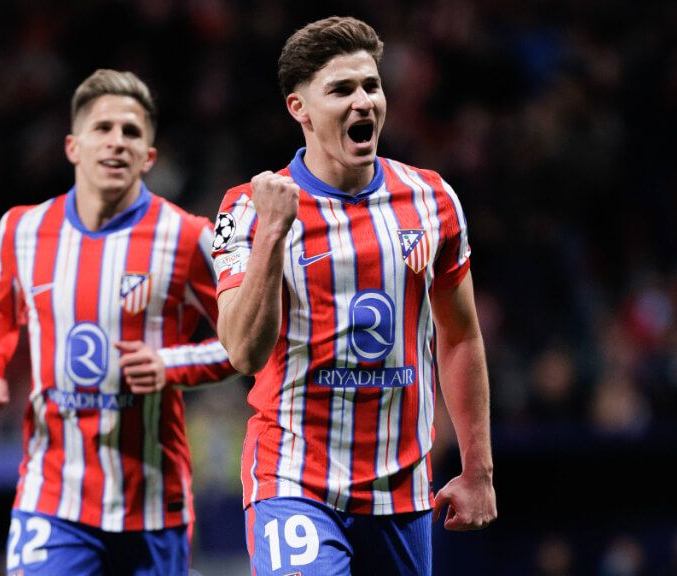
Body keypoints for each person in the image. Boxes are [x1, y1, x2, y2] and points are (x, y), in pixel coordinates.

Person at [212, 16, 497, 575]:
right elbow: (242, 352)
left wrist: (478, 470)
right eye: (342, 90)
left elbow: (460, 335)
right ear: (300, 108)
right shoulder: (246, 209)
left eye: (371, 85)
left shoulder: (432, 200)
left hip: (400, 491)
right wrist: (273, 233)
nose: (363, 101)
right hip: (293, 477)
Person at [0, 69, 234, 575]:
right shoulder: (22, 229)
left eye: (132, 132)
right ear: (72, 146)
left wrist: (174, 364)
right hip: (52, 495)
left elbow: (247, 343)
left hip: (153, 501)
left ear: (149, 157)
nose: (117, 142)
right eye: (103, 128)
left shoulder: (188, 237)